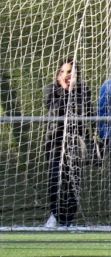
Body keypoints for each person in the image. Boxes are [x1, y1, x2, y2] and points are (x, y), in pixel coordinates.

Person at [43, 58, 94, 228]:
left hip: (76, 140)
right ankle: (55, 214)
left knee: (73, 180)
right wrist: (66, 92)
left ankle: (68, 219)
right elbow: (55, 111)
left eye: (70, 72)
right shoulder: (51, 89)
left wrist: (73, 92)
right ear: (58, 74)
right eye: (63, 72)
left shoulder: (83, 90)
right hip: (55, 140)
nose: (66, 75)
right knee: (55, 179)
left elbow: (84, 112)